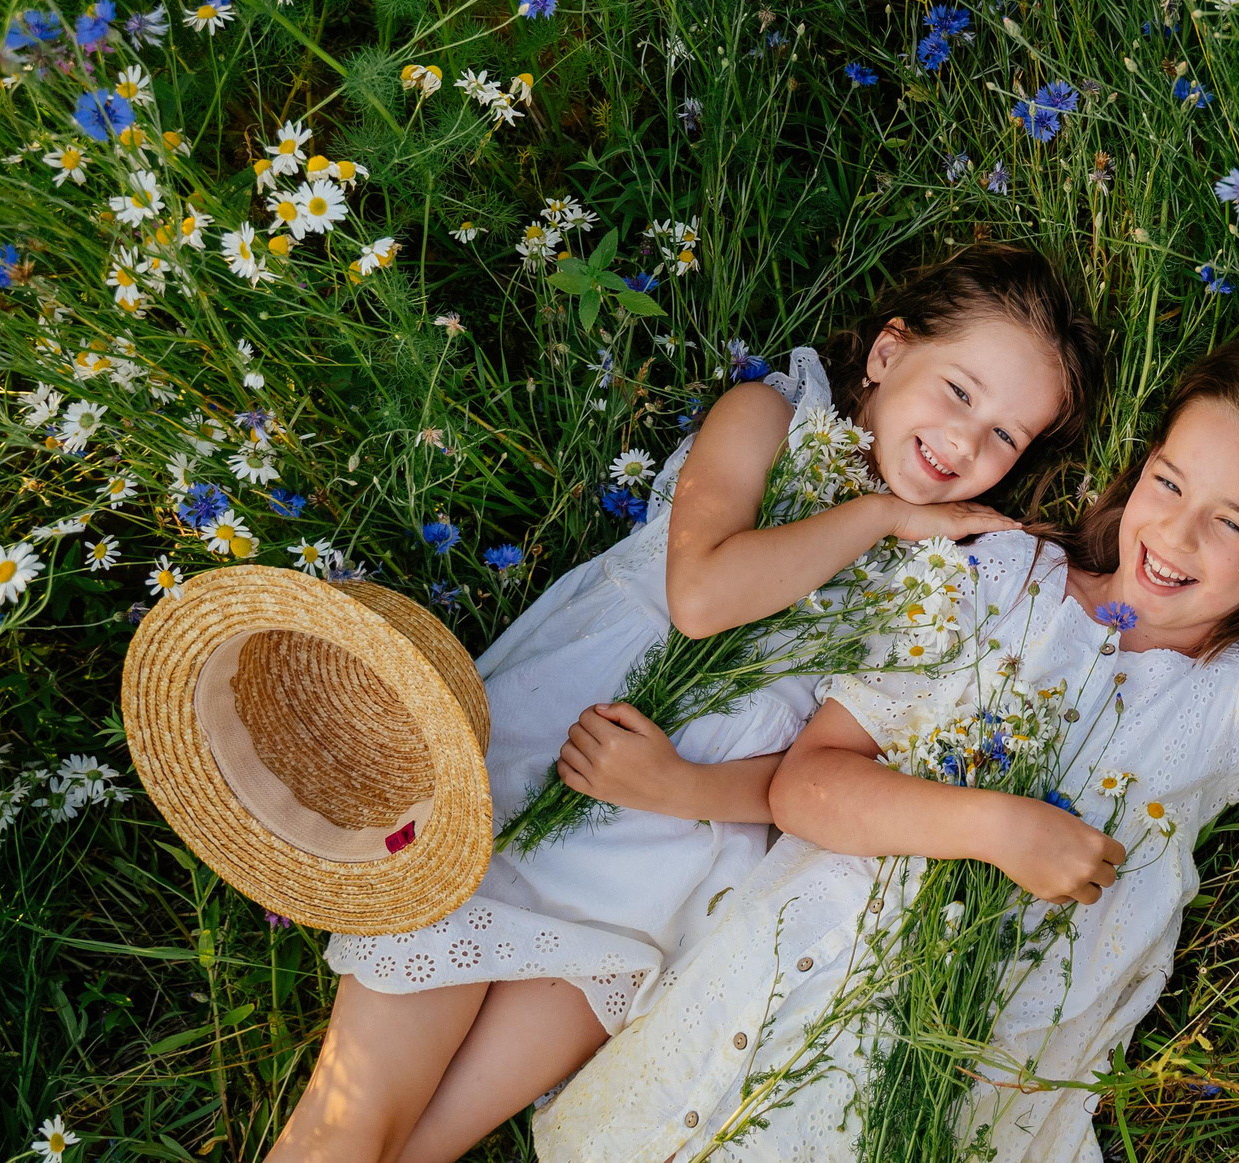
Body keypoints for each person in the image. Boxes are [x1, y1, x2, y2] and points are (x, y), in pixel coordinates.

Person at [531, 333, 1239, 1163]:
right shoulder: (994, 579)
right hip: (775, 999)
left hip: (961, 1078)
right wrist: (994, 825)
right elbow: (808, 786)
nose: (1173, 537)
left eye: (1232, 524)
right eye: (1168, 485)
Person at [268, 244, 1105, 1163]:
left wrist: (675, 787)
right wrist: (875, 515)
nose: (966, 441)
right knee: (353, 1125)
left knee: (425, 1146)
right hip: (536, 765)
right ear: (887, 352)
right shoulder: (768, 420)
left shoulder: (931, 581)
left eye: (1005, 436)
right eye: (960, 391)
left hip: (661, 864)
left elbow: (807, 781)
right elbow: (703, 599)